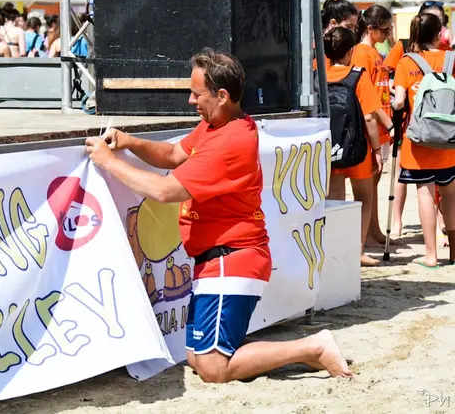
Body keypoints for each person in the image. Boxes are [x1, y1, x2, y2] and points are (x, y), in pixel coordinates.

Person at [85, 49, 353, 383]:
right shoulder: (218, 125)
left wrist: (109, 162)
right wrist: (129, 141)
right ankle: (303, 352)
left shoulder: (231, 140)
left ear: (222, 96)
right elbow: (172, 154)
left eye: (197, 94)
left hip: (232, 258)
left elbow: (165, 192)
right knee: (197, 358)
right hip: (220, 259)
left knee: (213, 367)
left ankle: (313, 347)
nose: (190, 100)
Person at [392, 13, 455, 267]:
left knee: (425, 193)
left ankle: (431, 255)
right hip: (449, 139)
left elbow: (398, 102)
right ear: (439, 34)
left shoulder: (406, 63)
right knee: (450, 194)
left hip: (418, 141)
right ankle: (454, 253)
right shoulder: (451, 59)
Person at [325, 27, 384, 267]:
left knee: (334, 201)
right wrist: (378, 149)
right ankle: (357, 250)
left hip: (331, 148)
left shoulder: (319, 77)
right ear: (350, 52)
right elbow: (370, 118)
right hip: (358, 149)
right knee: (363, 198)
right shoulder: (358, 76)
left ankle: (334, 248)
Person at [352, 5, 397, 247]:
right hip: (370, 127)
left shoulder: (375, 53)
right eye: (385, 30)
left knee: (375, 182)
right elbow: (363, 94)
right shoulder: (361, 53)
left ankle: (375, 230)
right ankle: (368, 234)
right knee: (368, 186)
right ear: (370, 28)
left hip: (380, 127)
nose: (388, 34)